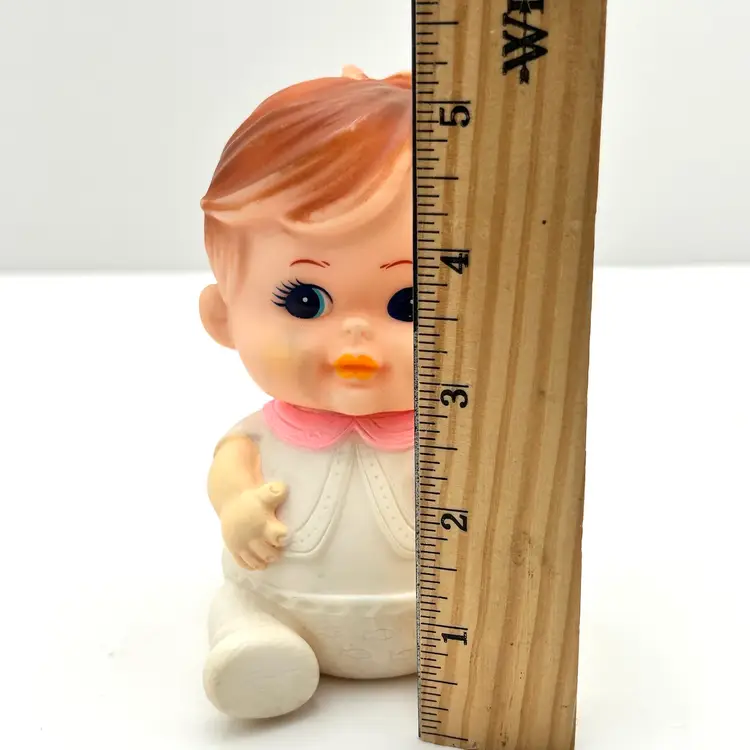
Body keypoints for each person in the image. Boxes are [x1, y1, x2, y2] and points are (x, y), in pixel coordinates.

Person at [197, 66, 415, 719]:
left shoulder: (453, 430)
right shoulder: (260, 436)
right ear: (223, 317)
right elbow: (230, 472)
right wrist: (238, 507)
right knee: (238, 600)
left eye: (407, 303)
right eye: (304, 300)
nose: (356, 334)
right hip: (281, 601)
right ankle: (257, 649)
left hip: (438, 612)